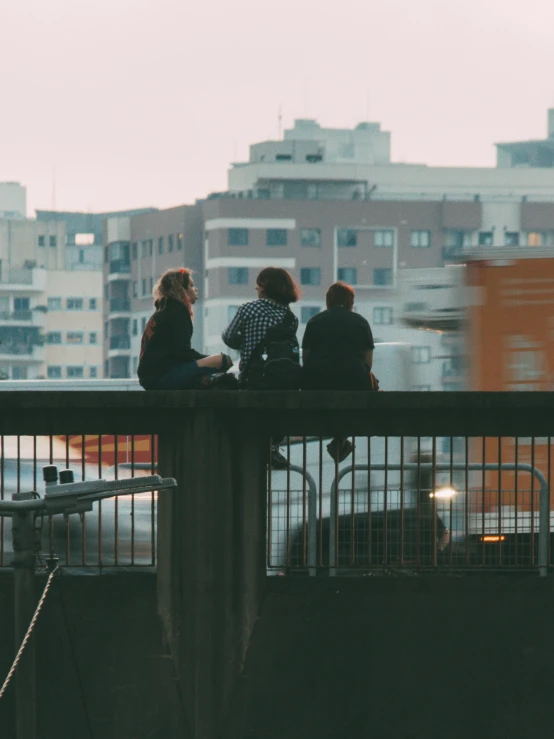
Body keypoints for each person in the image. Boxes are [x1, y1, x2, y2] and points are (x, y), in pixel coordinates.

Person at [222, 266, 301, 466]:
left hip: (253, 378)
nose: (256, 288)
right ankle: (272, 446)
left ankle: (250, 452)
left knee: (249, 416)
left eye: (258, 284)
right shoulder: (291, 318)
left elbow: (229, 336)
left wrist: (247, 342)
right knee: (275, 415)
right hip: (282, 382)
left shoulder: (249, 309)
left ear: (265, 286)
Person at [301, 281, 376, 463]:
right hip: (355, 382)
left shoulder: (314, 321)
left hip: (318, 383)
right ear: (351, 302)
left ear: (328, 302)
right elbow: (368, 362)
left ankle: (337, 436)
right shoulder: (361, 322)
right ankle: (341, 437)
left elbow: (306, 358)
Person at [138, 267, 236, 390]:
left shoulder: (163, 311)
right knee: (224, 360)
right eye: (191, 285)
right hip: (163, 377)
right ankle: (205, 381)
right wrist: (209, 360)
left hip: (151, 378)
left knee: (214, 363)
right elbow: (183, 353)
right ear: (181, 290)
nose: (195, 289)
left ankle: (204, 381)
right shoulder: (178, 310)